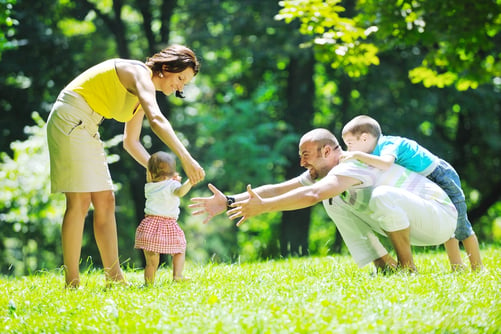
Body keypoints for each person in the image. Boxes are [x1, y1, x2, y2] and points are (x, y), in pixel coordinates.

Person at [46, 45, 205, 288]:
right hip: (70, 118)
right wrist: (185, 157)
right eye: (181, 78)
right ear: (166, 68)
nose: (181, 87)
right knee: (79, 201)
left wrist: (160, 174)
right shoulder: (138, 73)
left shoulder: (143, 96)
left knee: (106, 201)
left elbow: (130, 142)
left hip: (87, 126)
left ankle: (114, 278)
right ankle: (72, 283)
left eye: (186, 83)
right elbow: (157, 119)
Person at [190, 128, 457, 273]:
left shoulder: (351, 163)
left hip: (440, 217)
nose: (302, 162)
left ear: (327, 151)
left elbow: (313, 194)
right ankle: (385, 266)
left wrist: (263, 208)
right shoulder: (327, 170)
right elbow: (282, 187)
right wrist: (228, 200)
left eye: (306, 155)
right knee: (334, 201)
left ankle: (407, 268)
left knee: (371, 196)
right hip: (412, 222)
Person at [340, 115, 483, 272]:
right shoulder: (373, 152)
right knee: (449, 228)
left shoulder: (387, 143)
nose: (349, 150)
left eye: (350, 144)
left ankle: (478, 268)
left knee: (461, 224)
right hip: (425, 182)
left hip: (441, 176)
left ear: (365, 138)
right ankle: (457, 267)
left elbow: (386, 164)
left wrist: (357, 155)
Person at [135, 151, 192, 285]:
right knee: (179, 249)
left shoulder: (149, 186)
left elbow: (151, 175)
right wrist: (190, 181)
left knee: (151, 262)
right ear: (172, 171)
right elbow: (180, 192)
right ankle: (177, 275)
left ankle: (148, 284)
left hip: (149, 226)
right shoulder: (173, 185)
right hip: (167, 224)